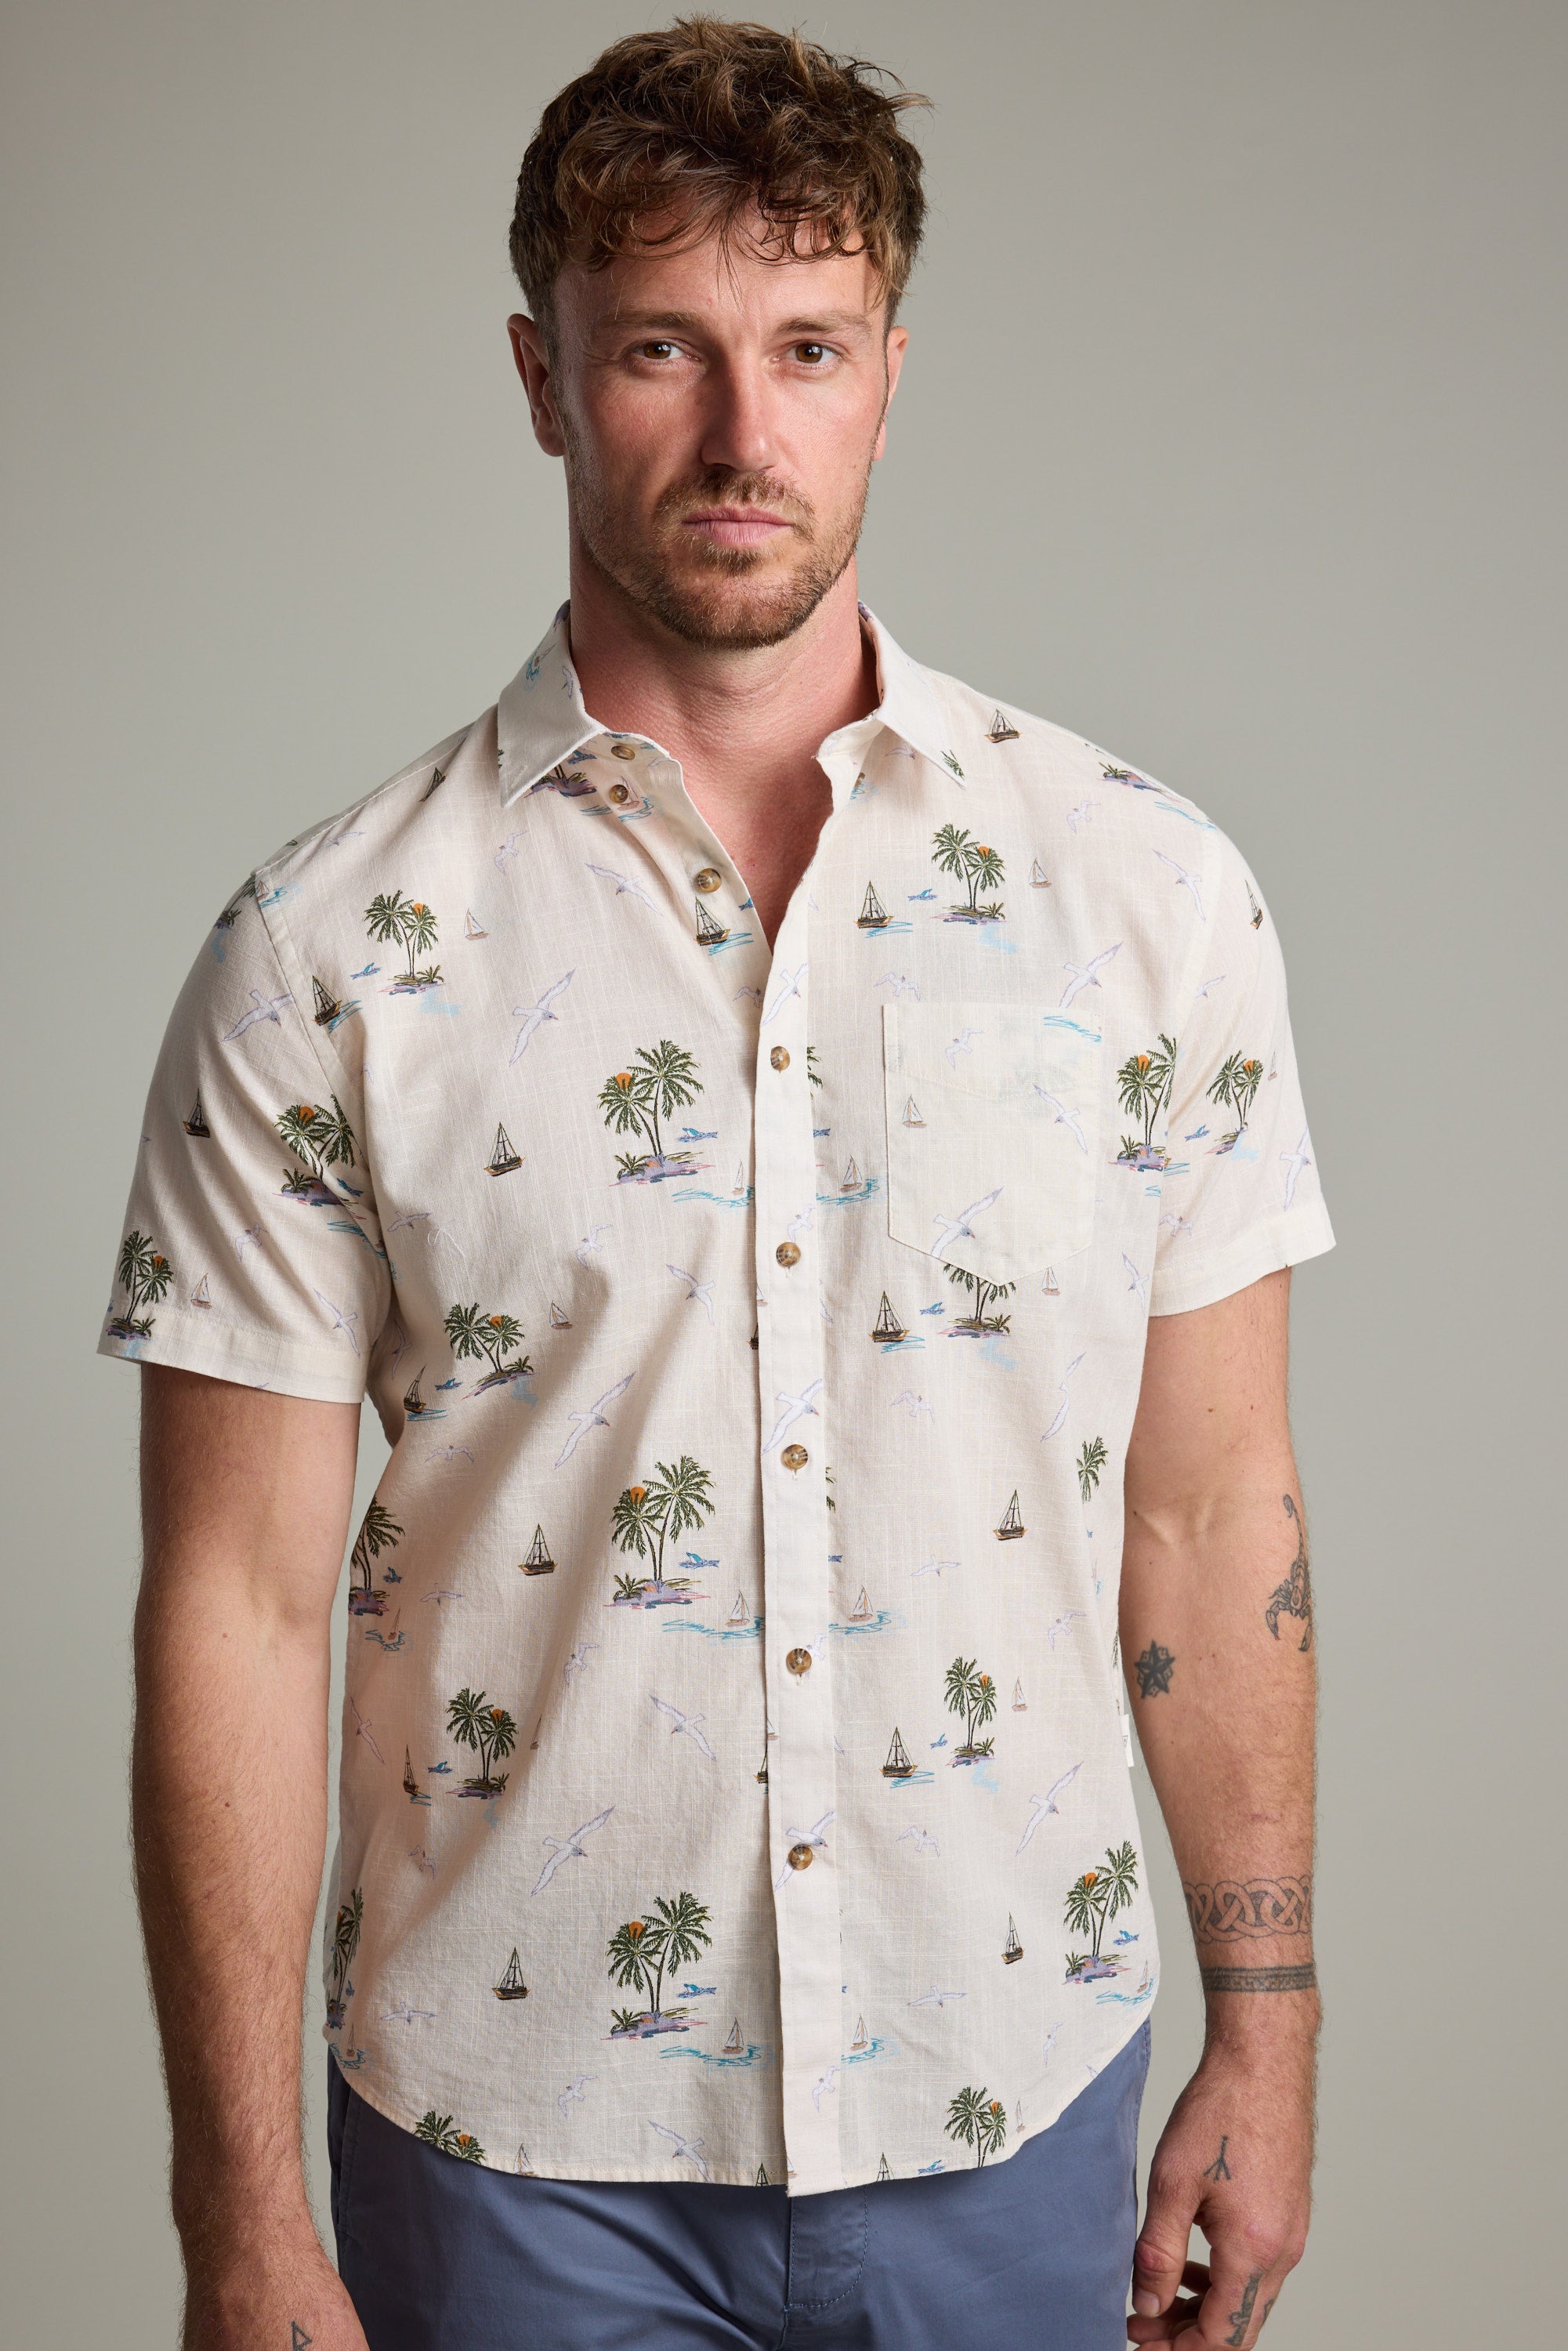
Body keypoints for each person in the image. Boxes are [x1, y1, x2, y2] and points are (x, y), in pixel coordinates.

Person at [102, 20, 1334, 2351]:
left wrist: (1263, 2035)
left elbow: (1209, 1517)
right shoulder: (328, 947)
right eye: (660, 348)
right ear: (544, 376)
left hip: (1013, 2093)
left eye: (806, 350)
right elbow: (234, 1609)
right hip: (507, 2147)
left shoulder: (1143, 895)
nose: (744, 436)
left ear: (889, 372)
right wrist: (240, 2218)